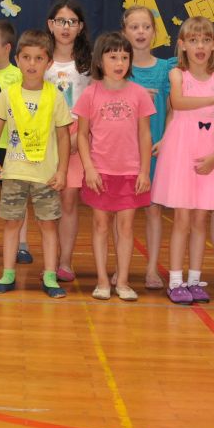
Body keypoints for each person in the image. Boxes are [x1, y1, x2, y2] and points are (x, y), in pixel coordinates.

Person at [151, 16, 214, 305]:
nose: (200, 46)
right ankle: (176, 281)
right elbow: (178, 103)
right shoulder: (178, 75)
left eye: (206, 40)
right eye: (193, 40)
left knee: (200, 219)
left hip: (209, 153)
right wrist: (213, 101)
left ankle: (195, 279)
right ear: (183, 45)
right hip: (181, 151)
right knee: (182, 218)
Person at [0, 29, 72, 298]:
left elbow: (63, 136)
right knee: (12, 223)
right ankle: (8, 273)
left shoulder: (55, 96)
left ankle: (50, 276)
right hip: (14, 172)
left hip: (46, 175)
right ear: (17, 59)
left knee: (48, 225)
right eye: (26, 57)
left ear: (49, 63)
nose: (32, 64)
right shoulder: (8, 94)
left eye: (38, 58)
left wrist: (62, 170)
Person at [75, 32, 154, 302]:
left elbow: (145, 134)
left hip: (130, 172)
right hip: (100, 172)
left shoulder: (139, 94)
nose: (119, 63)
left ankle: (122, 281)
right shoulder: (90, 94)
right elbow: (82, 135)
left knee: (126, 227)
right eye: (113, 57)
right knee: (100, 225)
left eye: (124, 57)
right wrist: (89, 168)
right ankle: (101, 280)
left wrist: (144, 171)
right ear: (100, 61)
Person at [124, 5, 173, 290]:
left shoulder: (166, 69)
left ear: (154, 32)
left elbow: (173, 109)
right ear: (124, 32)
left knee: (154, 211)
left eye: (146, 27)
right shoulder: (118, 68)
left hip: (155, 150)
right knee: (124, 214)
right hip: (124, 152)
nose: (140, 32)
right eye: (134, 27)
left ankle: (152, 269)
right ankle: (122, 269)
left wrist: (166, 138)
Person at [44, 0, 92, 283]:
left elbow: (95, 102)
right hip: (44, 134)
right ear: (51, 24)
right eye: (61, 21)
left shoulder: (88, 63)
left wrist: (78, 137)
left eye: (72, 22)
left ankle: (65, 261)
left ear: (80, 27)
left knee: (69, 200)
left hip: (76, 134)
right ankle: (49, 261)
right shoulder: (41, 58)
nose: (66, 27)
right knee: (46, 200)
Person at [0, 19, 31, 263]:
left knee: (18, 197)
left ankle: (22, 245)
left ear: (7, 48)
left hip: (13, 146)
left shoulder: (19, 76)